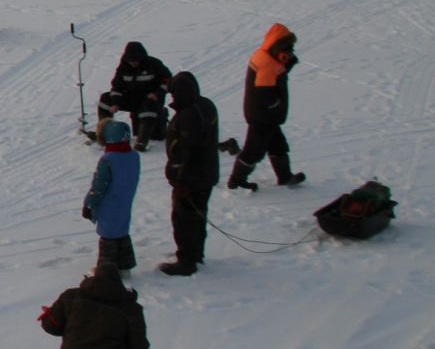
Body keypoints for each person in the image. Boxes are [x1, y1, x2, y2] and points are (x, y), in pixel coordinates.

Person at [159, 71, 220, 276]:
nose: (172, 97)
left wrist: (181, 180)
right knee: (197, 216)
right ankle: (194, 254)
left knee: (184, 219)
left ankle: (186, 261)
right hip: (206, 174)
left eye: (174, 93)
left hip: (192, 178)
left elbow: (187, 151)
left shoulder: (189, 115)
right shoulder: (205, 105)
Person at [229, 23, 303, 191]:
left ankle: (284, 176)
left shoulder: (268, 56)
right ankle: (236, 180)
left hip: (266, 115)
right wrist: (276, 106)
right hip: (261, 116)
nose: (290, 52)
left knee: (278, 145)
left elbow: (277, 74)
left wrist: (287, 65)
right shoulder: (266, 63)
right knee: (253, 150)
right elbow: (264, 91)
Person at [81, 120, 140, 270]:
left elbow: (99, 186)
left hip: (109, 205)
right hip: (125, 202)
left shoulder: (108, 160)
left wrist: (89, 204)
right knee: (121, 232)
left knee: (108, 237)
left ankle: (106, 270)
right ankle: (125, 266)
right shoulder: (133, 156)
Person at [97, 41, 172, 150]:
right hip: (131, 99)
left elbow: (168, 81)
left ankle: (141, 142)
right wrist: (116, 102)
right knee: (105, 99)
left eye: (135, 60)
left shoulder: (154, 64)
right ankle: (104, 135)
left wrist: (157, 93)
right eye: (131, 61)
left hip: (150, 99)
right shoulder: (123, 67)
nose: (133, 63)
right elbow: (117, 86)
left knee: (149, 107)